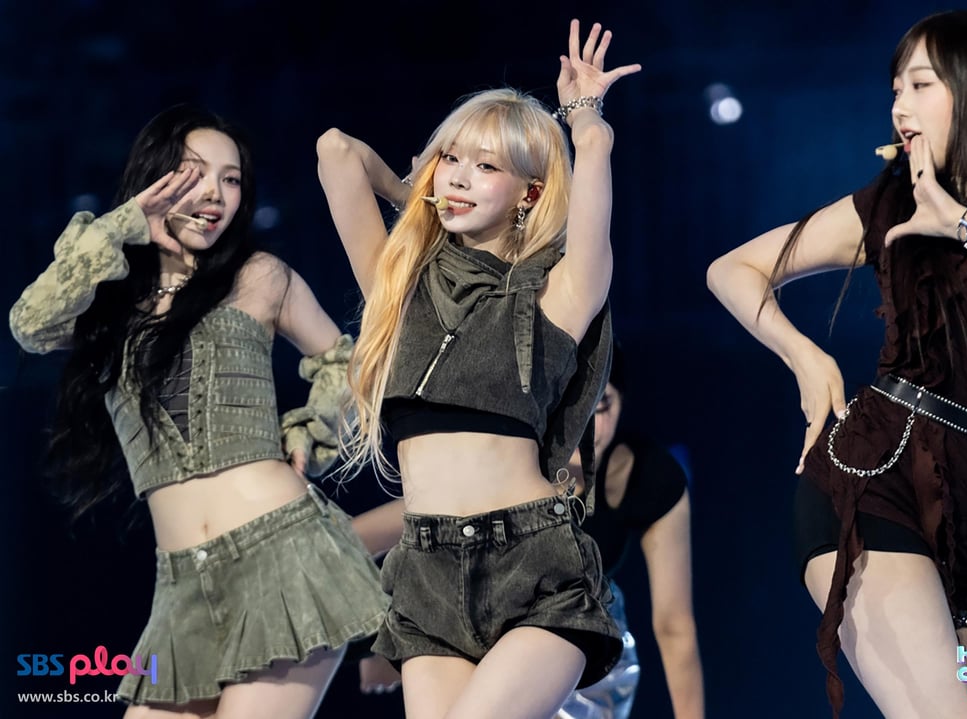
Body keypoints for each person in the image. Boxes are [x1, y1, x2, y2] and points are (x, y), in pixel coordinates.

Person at [707, 10, 967, 719]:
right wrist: (806, 357)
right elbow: (733, 270)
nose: (899, 106)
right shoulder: (892, 203)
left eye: (920, 84)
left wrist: (966, 225)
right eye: (894, 89)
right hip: (872, 485)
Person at [9, 105, 388, 718]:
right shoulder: (109, 297)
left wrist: (310, 433)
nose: (215, 193)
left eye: (231, 179)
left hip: (285, 556)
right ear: (154, 180)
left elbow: (345, 362)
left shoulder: (259, 276)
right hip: (181, 585)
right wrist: (123, 226)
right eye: (194, 173)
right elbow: (30, 324)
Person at [317, 19, 641, 719]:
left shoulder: (557, 296)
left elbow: (591, 177)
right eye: (452, 158)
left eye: (487, 166)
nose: (460, 175)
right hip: (427, 575)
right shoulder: (399, 289)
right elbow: (336, 151)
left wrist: (585, 116)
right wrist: (418, 195)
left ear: (530, 193)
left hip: (533, 565)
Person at [558, 346, 705, 719]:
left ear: (621, 402)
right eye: (568, 402)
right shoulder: (510, 460)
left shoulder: (651, 476)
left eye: (600, 404)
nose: (584, 422)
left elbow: (674, 626)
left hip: (588, 665)